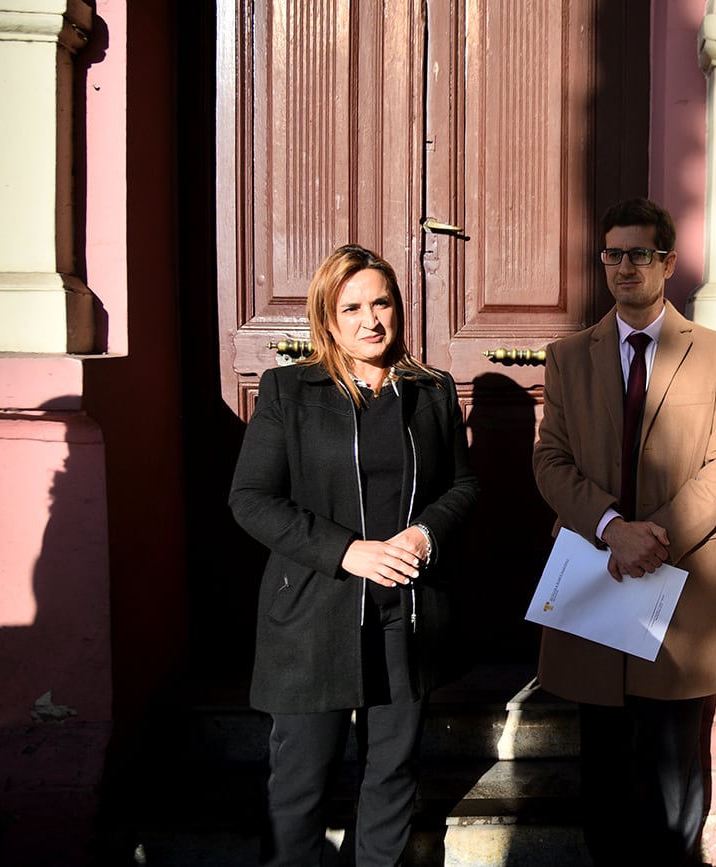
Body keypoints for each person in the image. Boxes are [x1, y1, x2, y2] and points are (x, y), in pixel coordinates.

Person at [229, 243, 479, 866]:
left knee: (392, 775)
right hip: (314, 612)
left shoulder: (431, 391)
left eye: (382, 303)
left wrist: (426, 533)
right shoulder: (289, 391)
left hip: (405, 613)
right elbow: (251, 499)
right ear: (327, 318)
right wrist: (348, 552)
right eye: (352, 308)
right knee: (299, 784)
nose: (371, 320)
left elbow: (463, 485)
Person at [532, 198, 716, 865]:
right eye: (612, 254)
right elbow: (550, 459)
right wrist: (610, 528)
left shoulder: (715, 352)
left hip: (677, 576)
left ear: (667, 262)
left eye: (638, 254)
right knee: (602, 755)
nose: (623, 267)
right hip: (599, 570)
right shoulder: (569, 356)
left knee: (672, 761)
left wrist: (653, 536)